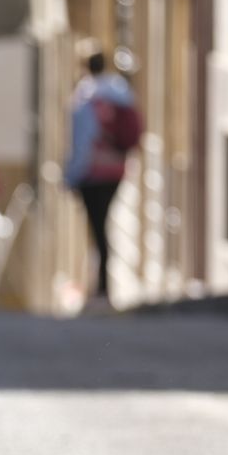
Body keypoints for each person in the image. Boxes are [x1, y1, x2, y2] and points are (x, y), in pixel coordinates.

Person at [65, 52, 141, 305]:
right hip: (117, 170)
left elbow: (81, 142)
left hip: (92, 173)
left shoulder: (85, 97)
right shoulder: (121, 93)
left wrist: (72, 175)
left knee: (98, 229)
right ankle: (103, 285)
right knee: (104, 225)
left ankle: (102, 286)